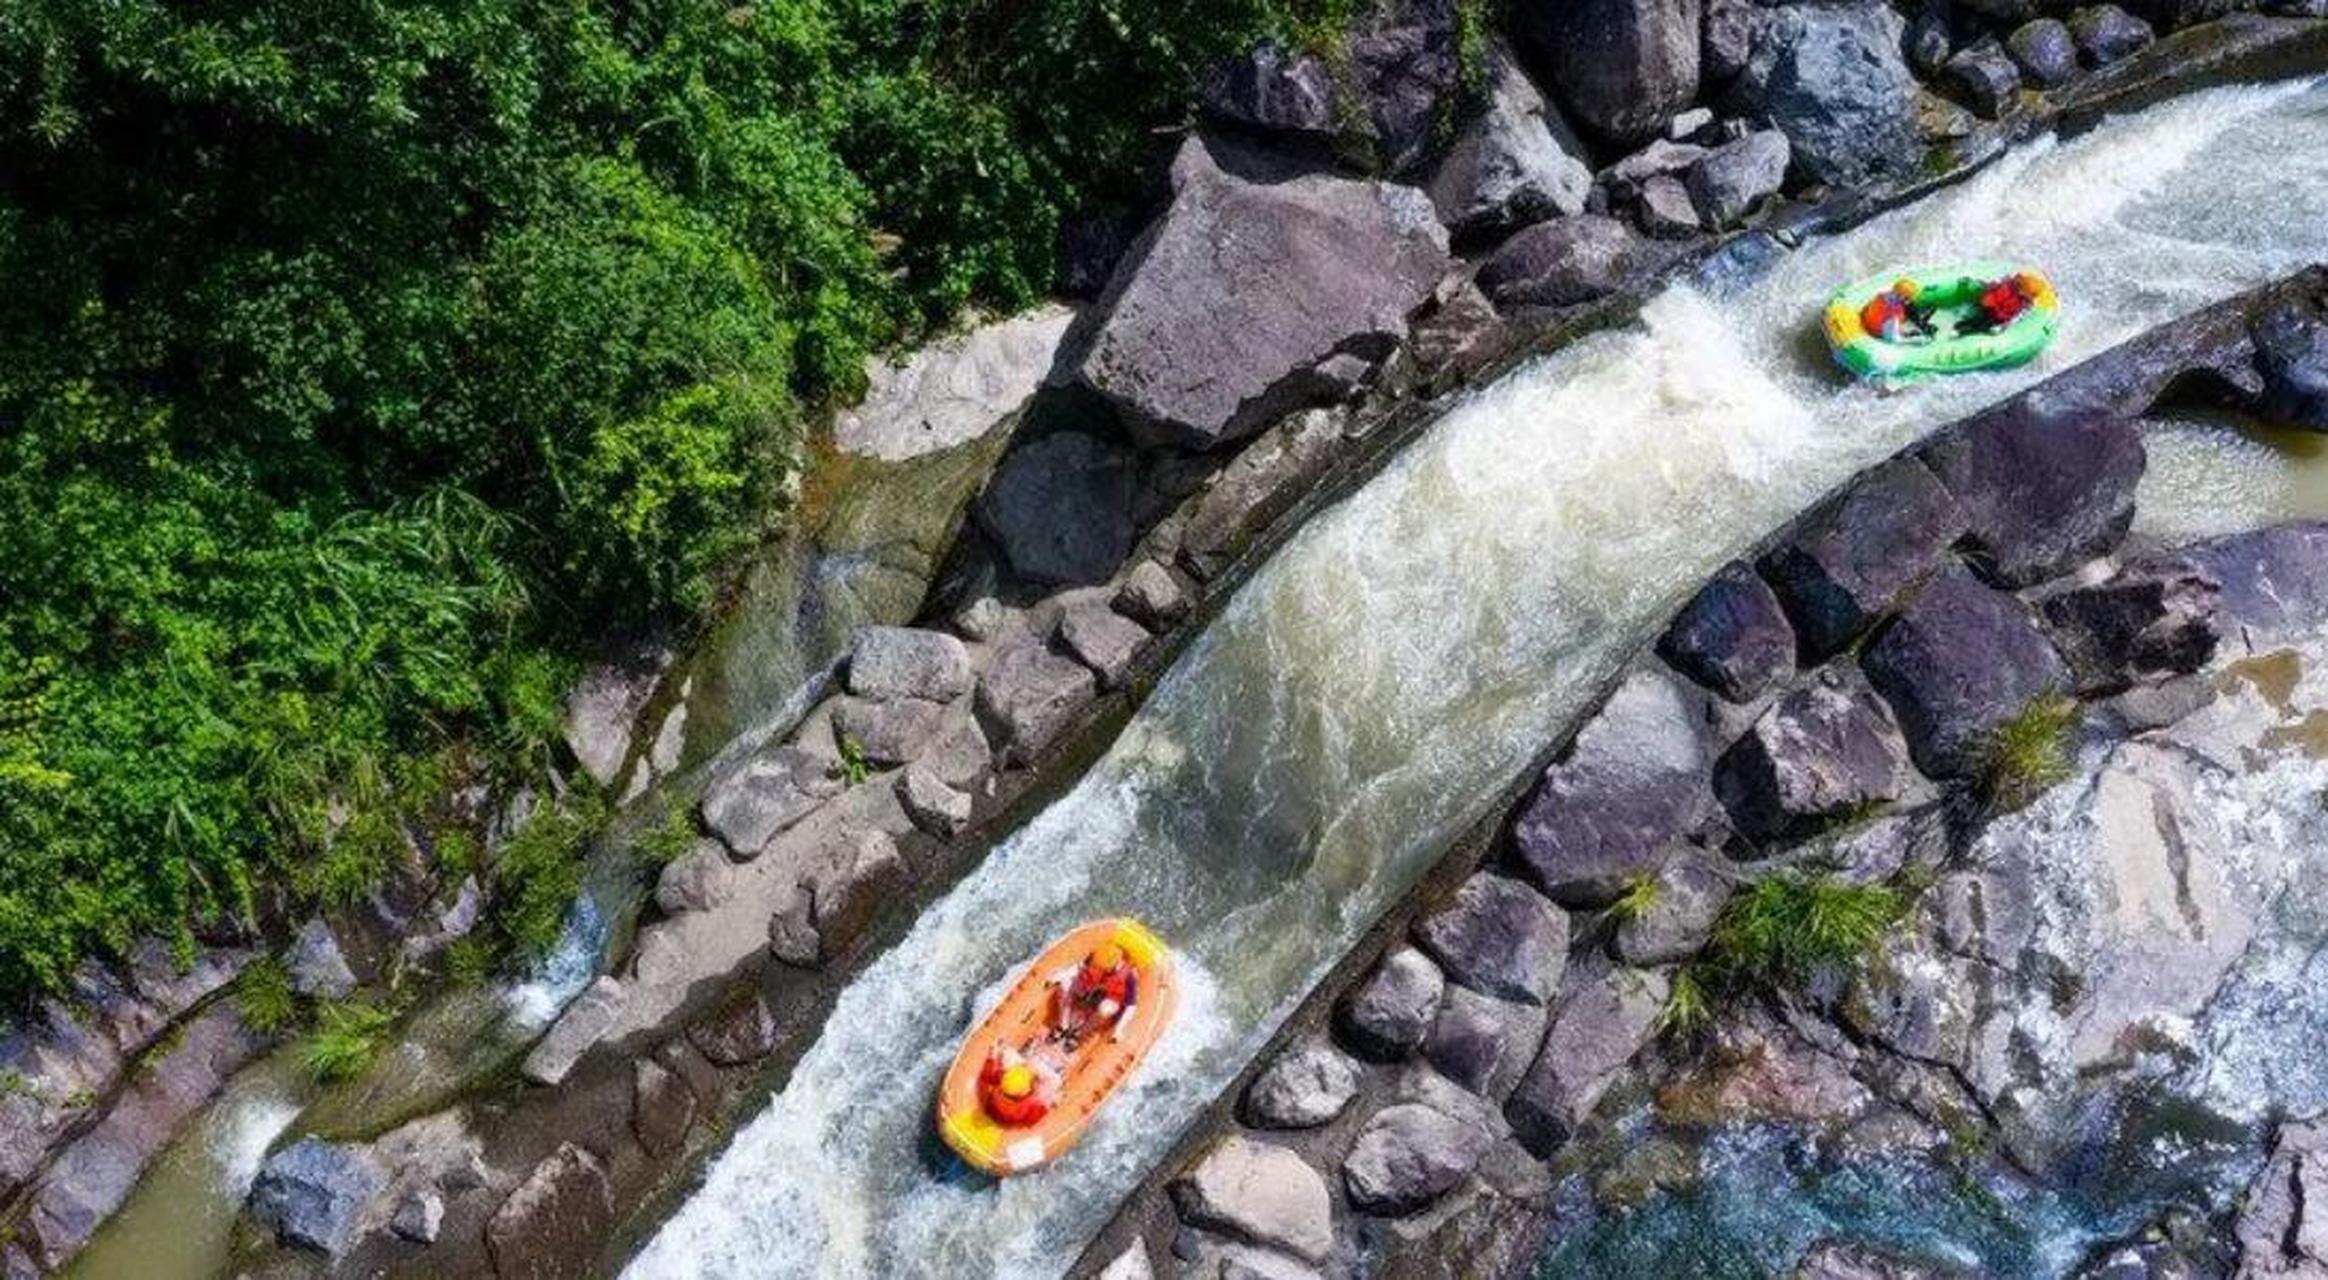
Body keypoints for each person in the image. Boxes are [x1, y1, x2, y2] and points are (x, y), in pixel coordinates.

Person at [1048, 942, 1139, 1046]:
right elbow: (1077, 968)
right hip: (1088, 990)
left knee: (1106, 1008)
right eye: (1097, 966)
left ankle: (1079, 1033)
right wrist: (1059, 977)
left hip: (1108, 999)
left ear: (1114, 967)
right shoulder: (1096, 958)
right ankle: (1063, 1025)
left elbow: (1131, 1006)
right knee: (1064, 984)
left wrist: (1119, 1029)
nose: (1098, 968)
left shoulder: (1129, 977)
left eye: (1102, 968)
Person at [978, 1044, 1060, 1126]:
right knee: (1054, 1081)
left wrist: (991, 1058)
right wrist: (1048, 1105)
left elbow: (988, 1077)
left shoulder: (1001, 1087)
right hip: (1009, 1116)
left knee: (1009, 1054)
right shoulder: (1026, 1106)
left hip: (995, 1108)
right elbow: (1032, 1120)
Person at [1959, 271, 2040, 335]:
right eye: (2019, 286)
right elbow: (1990, 284)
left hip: (1997, 318)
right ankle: (1959, 324)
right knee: (1973, 314)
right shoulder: (2008, 281)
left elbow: (2017, 317)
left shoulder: (2026, 303)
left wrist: (2003, 327)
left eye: (2022, 290)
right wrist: (1974, 282)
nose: (2019, 290)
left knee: (1982, 325)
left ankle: (1963, 332)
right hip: (1987, 305)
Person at [1857, 277, 1929, 343]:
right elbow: (1893, 339)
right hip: (1878, 331)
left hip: (1869, 320)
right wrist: (1916, 340)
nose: (1911, 300)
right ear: (1903, 297)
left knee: (1909, 308)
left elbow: (1867, 308)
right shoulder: (1893, 314)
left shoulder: (1882, 295)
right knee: (1910, 310)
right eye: (1909, 298)